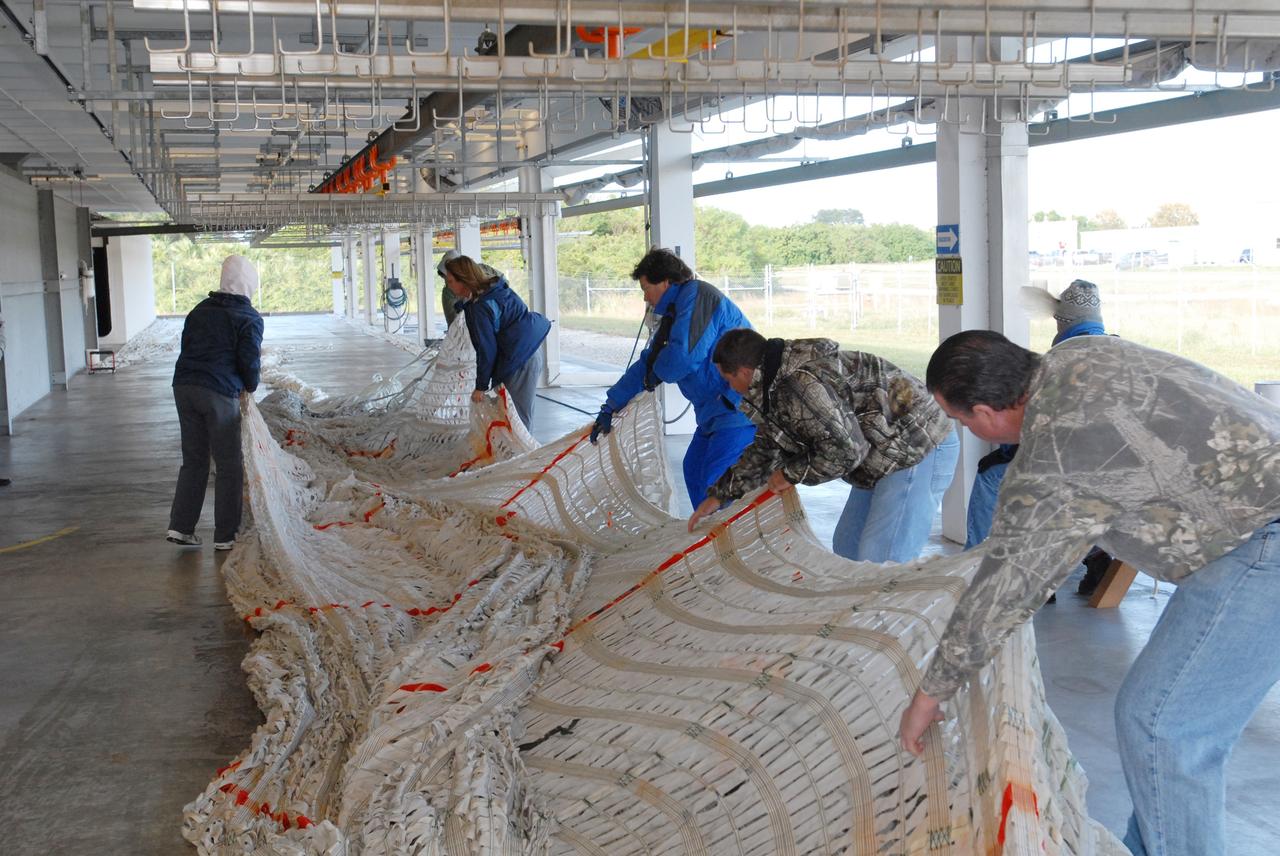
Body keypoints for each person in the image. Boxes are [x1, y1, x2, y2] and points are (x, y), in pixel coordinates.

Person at [899, 329, 1280, 856]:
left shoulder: (1053, 452)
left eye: (963, 420)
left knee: (1163, 725)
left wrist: (929, 695)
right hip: (1254, 523)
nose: (969, 431)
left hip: (1262, 540)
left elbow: (1007, 586)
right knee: (1166, 729)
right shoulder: (1078, 354)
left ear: (986, 412)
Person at [689, 328, 960, 564]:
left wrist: (788, 474)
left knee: (880, 558)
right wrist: (720, 495)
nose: (731, 388)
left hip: (917, 447)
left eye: (729, 380)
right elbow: (766, 447)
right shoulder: (775, 385)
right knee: (847, 547)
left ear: (746, 372)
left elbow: (845, 452)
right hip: (882, 454)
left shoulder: (801, 383)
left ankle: (876, 622)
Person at [964, 279, 1113, 597]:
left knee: (993, 478)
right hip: (1118, 466)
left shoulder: (1061, 359)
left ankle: (977, 568)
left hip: (1076, 466)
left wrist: (1006, 451)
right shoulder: (1116, 349)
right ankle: (1096, 555)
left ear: (1063, 322)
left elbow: (1038, 424)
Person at [590, 248, 756, 509]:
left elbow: (681, 359)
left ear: (665, 281)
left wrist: (655, 373)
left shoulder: (698, 296)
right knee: (693, 469)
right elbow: (650, 361)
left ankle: (727, 542)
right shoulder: (674, 313)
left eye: (646, 287)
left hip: (737, 408)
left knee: (718, 485)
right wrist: (612, 404)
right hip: (712, 412)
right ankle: (711, 537)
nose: (645, 296)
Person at [167, 255, 264, 550]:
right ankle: (225, 535)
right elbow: (249, 361)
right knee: (229, 464)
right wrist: (250, 386)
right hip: (218, 392)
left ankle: (181, 527)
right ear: (249, 285)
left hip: (183, 387)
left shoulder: (199, 311)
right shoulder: (249, 318)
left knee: (194, 461)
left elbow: (188, 347)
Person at [442, 254, 550, 428]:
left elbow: (486, 349)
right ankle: (513, 452)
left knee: (517, 419)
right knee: (509, 413)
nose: (448, 286)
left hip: (519, 360)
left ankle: (523, 454)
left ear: (463, 280)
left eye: (451, 281)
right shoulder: (494, 290)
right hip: (528, 353)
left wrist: (481, 386)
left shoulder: (480, 306)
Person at [437, 249, 501, 329]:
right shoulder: (498, 290)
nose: (449, 286)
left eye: (450, 281)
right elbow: (454, 323)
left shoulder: (487, 300)